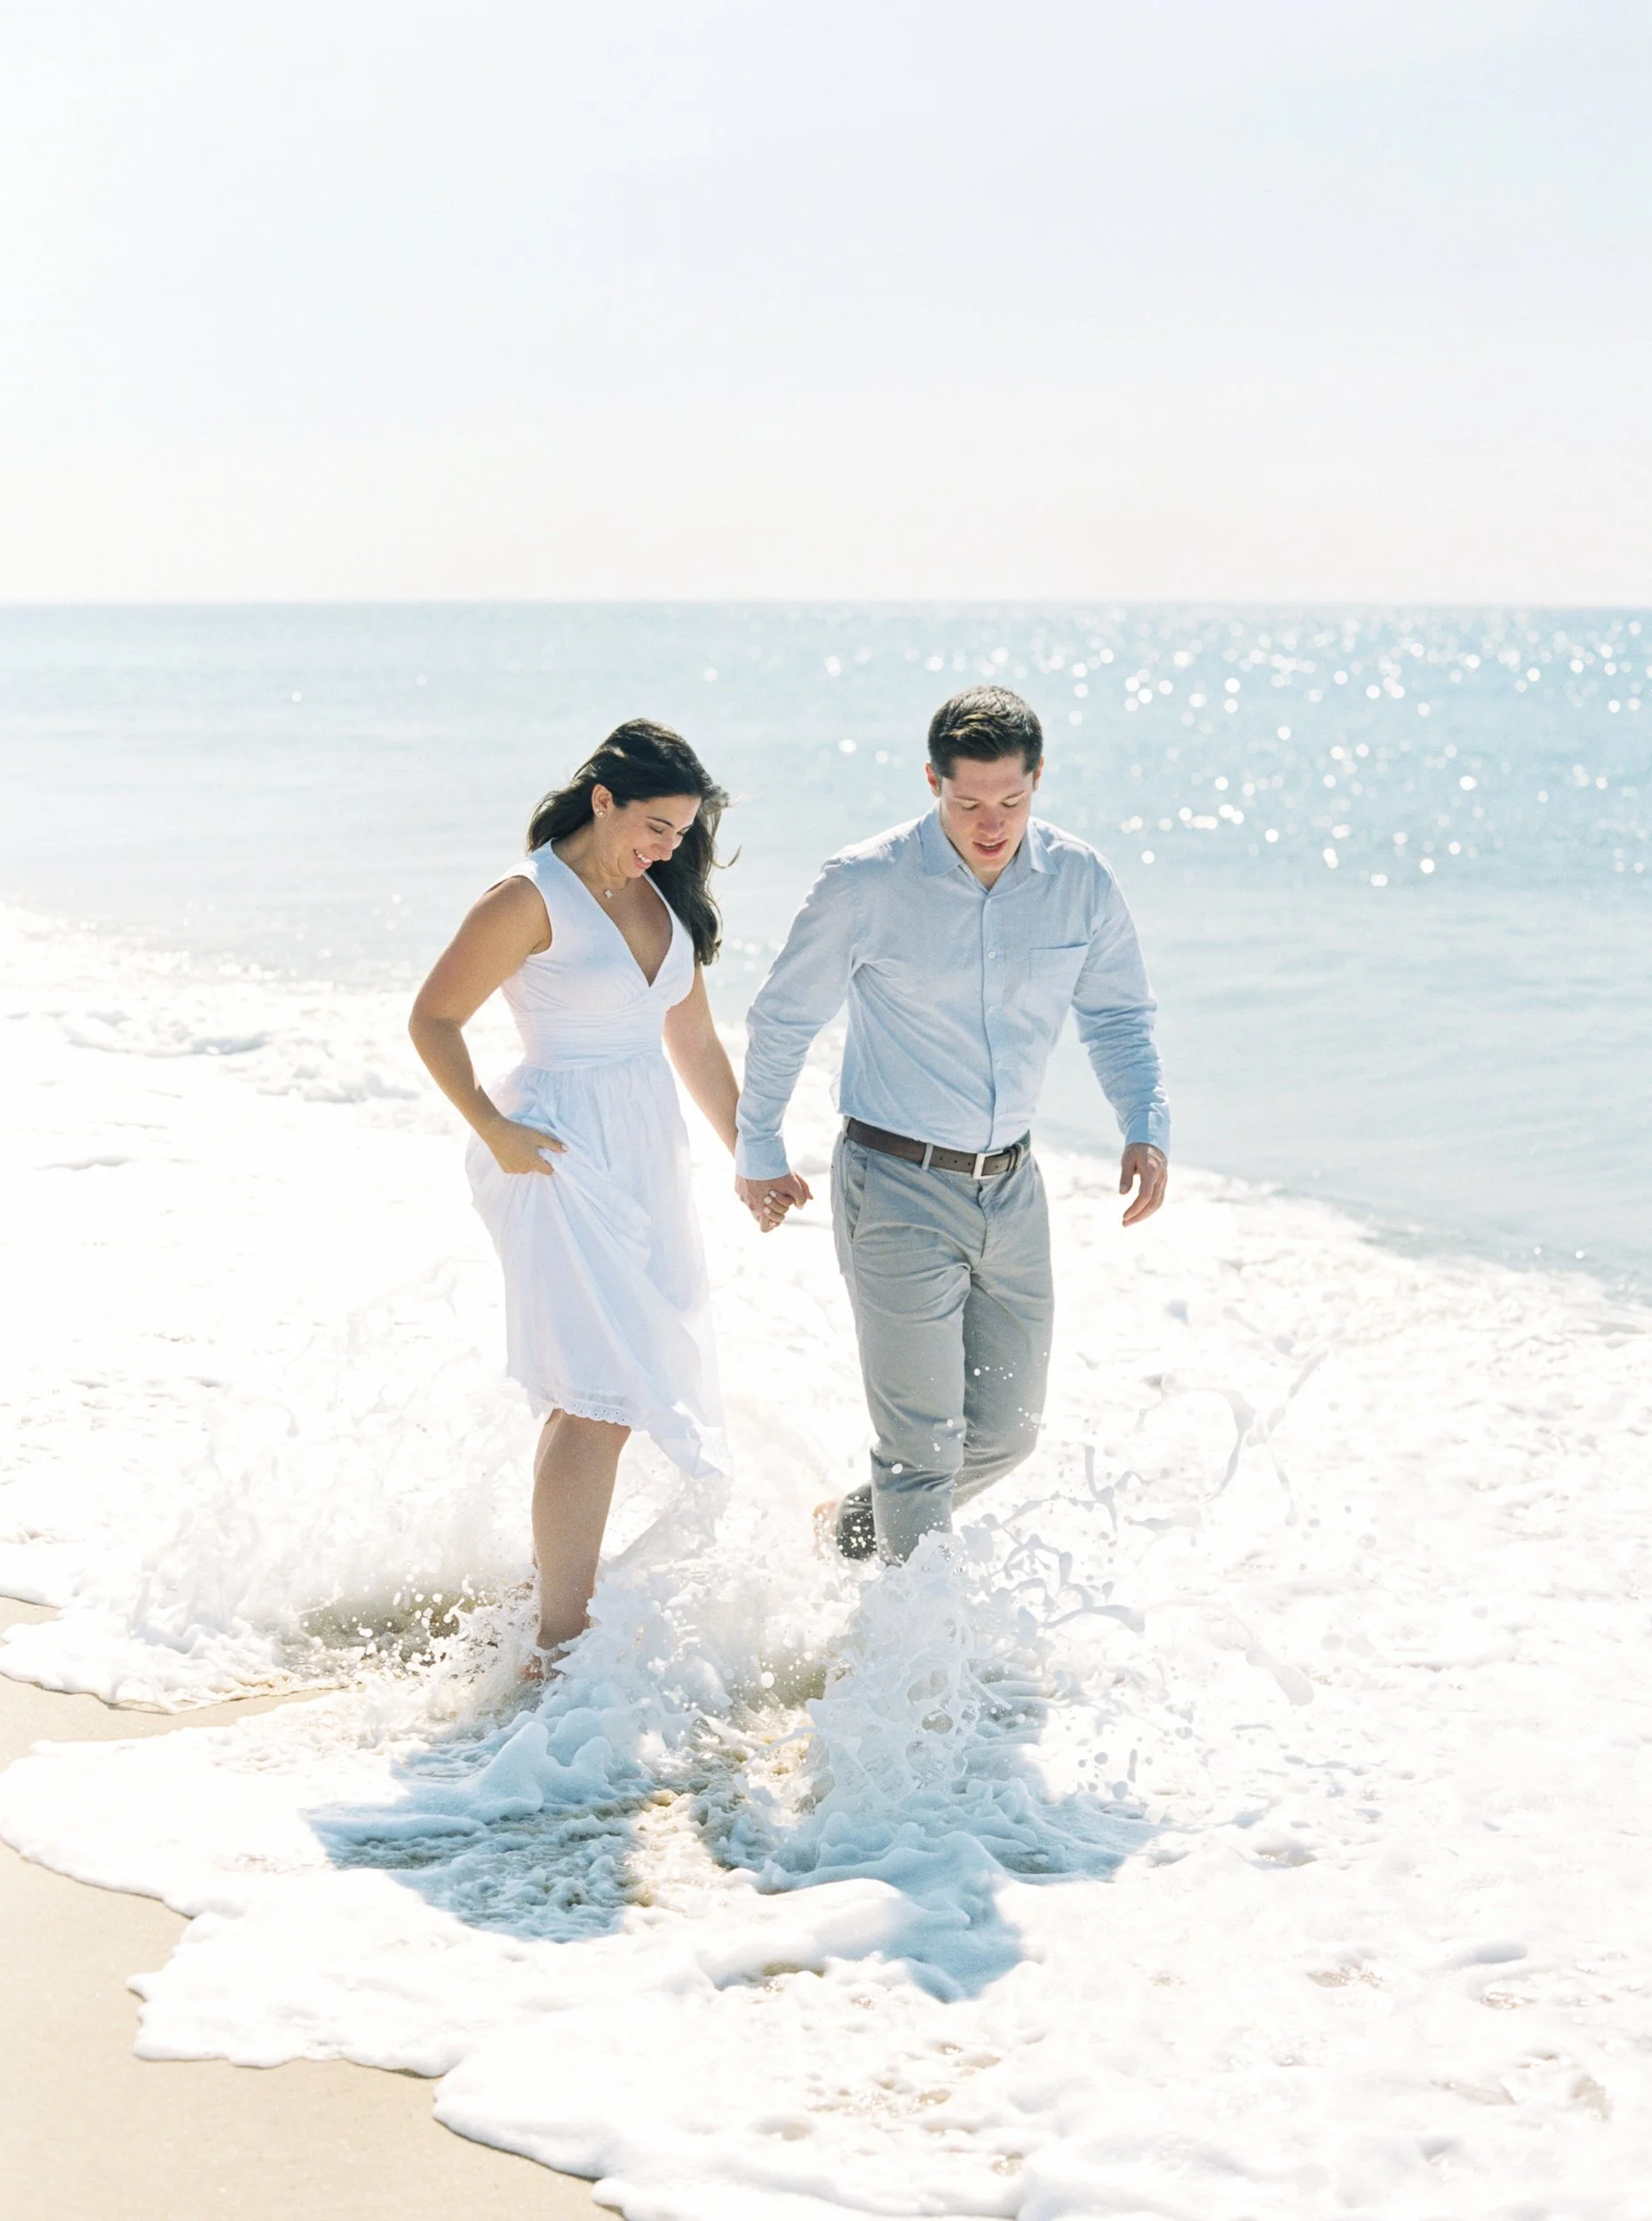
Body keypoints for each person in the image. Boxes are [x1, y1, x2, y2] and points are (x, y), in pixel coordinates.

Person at [735, 685, 1168, 1564]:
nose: (990, 822)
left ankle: (844, 1536)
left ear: (1038, 778)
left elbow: (1117, 1016)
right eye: (967, 801)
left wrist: (1144, 1125)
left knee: (1008, 1435)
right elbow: (784, 1017)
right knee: (921, 1451)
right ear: (932, 780)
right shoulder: (865, 882)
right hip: (895, 1186)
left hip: (1013, 1192)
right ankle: (915, 1672)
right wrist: (760, 1147)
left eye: (1011, 799)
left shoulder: (1078, 881)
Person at [409, 720, 806, 1666]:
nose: (669, 847)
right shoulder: (527, 897)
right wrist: (491, 1127)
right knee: (597, 1395)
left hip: (647, 1156)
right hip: (556, 1152)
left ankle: (549, 1598)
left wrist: (753, 1151)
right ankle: (558, 1640)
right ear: (604, 800)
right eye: (657, 826)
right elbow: (434, 1017)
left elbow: (696, 1045)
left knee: (605, 1390)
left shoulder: (663, 900)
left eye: (681, 832)